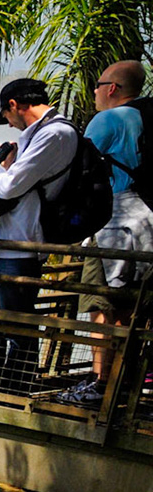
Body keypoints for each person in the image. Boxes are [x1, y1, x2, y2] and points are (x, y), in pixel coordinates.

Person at [0, 77, 81, 382]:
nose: (8, 125)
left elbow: (8, 188)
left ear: (14, 105)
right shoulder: (35, 137)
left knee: (16, 327)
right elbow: (18, 183)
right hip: (1, 243)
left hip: (22, 245)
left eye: (6, 117)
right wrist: (7, 164)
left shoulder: (56, 134)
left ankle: (15, 386)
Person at [69, 60, 153, 403]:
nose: (94, 92)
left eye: (98, 84)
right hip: (148, 218)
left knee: (101, 301)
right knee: (136, 305)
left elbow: (77, 168)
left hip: (116, 220)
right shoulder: (146, 116)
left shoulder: (109, 119)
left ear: (112, 88)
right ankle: (136, 380)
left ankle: (101, 383)